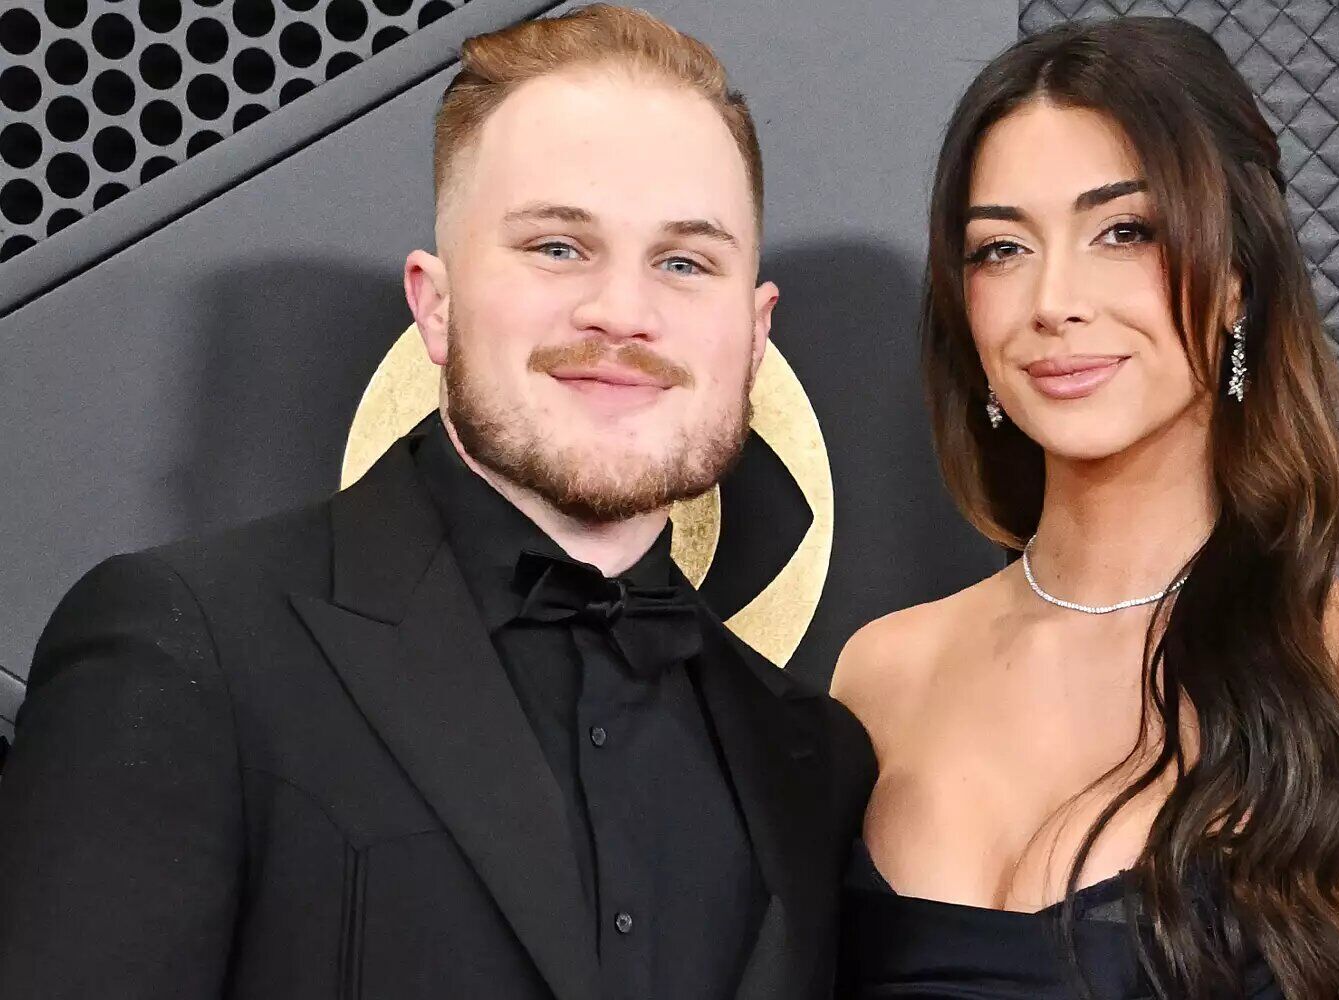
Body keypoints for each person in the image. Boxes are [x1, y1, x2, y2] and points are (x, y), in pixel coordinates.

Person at [0, 7, 874, 998]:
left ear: (755, 332)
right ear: (436, 302)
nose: (623, 313)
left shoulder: (818, 758)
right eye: (557, 246)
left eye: (684, 262)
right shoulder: (187, 646)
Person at [833, 17, 1339, 1000]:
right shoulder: (880, 672)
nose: (1054, 298)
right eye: (1001, 248)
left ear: (1236, 280)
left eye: (1124, 231)